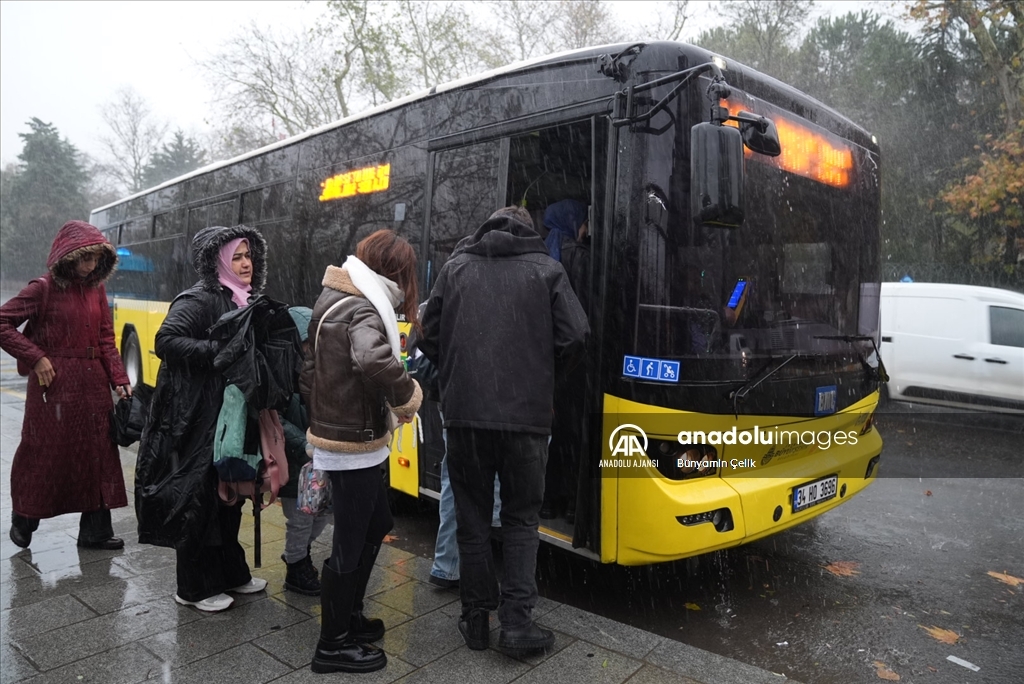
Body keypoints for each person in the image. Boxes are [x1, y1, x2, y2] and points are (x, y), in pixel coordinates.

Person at [419, 206, 589, 654]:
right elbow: (576, 337)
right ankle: (516, 624)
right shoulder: (548, 270)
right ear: (530, 232)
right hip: (527, 422)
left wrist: (461, 374)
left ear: (485, 229)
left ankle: (475, 621)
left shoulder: (456, 269)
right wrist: (542, 377)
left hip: (464, 420)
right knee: (520, 521)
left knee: (471, 523)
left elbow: (426, 336)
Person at [300, 229, 423, 674]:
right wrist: (407, 396)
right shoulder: (362, 307)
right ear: (394, 271)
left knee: (377, 523)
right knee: (351, 540)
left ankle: (348, 617)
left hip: (349, 437)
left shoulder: (338, 297)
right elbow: (373, 361)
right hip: (351, 443)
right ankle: (331, 644)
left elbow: (309, 372)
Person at [135, 225, 270, 612]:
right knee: (200, 499)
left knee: (231, 494)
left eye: (248, 256)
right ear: (217, 262)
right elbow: (166, 341)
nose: (246, 263)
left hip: (226, 412)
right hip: (195, 416)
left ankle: (231, 572)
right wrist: (219, 350)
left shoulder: (241, 297)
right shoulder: (198, 299)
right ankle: (193, 587)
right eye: (237, 257)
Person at [0, 220, 132, 550]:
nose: (90, 266)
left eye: (96, 259)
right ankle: (25, 516)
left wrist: (119, 378)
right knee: (44, 453)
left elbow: (105, 338)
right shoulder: (43, 288)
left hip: (93, 386)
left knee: (98, 453)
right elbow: (2, 322)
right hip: (53, 386)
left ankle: (96, 531)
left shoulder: (96, 289)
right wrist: (36, 357)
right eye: (85, 258)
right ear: (68, 256)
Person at [541, 199, 591, 522]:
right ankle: (574, 503)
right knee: (574, 434)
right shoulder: (579, 257)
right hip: (575, 365)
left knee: (553, 436)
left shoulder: (544, 256)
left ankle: (549, 501)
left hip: (549, 364)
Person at [278, 305, 330, 596]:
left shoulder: (322, 370)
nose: (313, 347)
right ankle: (296, 567)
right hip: (295, 460)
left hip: (318, 459)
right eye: (308, 342)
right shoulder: (283, 375)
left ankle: (297, 554)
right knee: (299, 518)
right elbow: (276, 421)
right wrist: (304, 444)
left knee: (320, 513)